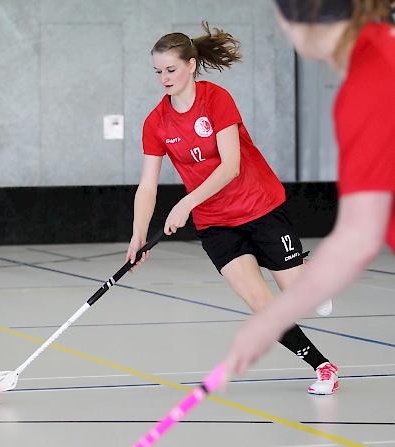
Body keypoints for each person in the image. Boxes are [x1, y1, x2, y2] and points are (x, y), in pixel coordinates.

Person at [127, 23, 338, 394]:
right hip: (216, 224)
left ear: (191, 65)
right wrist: (138, 235)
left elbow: (231, 166)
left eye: (171, 69)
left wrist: (188, 202)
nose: (164, 78)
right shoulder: (156, 123)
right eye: (158, 71)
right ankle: (322, 366)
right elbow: (147, 186)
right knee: (261, 302)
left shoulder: (216, 99)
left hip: (259, 206)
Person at [227, 0, 394, 375]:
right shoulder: (382, 49)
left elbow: (358, 237)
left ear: (306, 21)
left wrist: (269, 322)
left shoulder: (369, 87)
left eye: (282, 22)